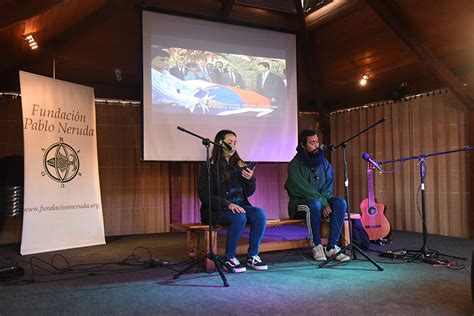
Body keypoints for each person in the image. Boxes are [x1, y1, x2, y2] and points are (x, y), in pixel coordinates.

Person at [198, 130, 268, 272]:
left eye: (235, 142)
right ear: (220, 143)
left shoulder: (239, 164)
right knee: (239, 217)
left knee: (259, 214)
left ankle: (253, 255)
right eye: (229, 142)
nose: (233, 145)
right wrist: (228, 204)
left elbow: (248, 192)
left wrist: (250, 180)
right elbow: (205, 195)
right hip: (216, 210)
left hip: (239, 206)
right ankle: (230, 257)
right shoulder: (209, 166)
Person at [285, 130, 350, 262]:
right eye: (312, 143)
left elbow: (329, 184)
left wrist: (325, 202)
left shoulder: (324, 162)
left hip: (321, 203)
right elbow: (303, 189)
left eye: (317, 142)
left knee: (340, 203)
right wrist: (323, 202)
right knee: (314, 205)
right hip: (300, 205)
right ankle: (317, 245)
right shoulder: (294, 165)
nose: (316, 145)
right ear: (302, 145)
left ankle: (331, 247)